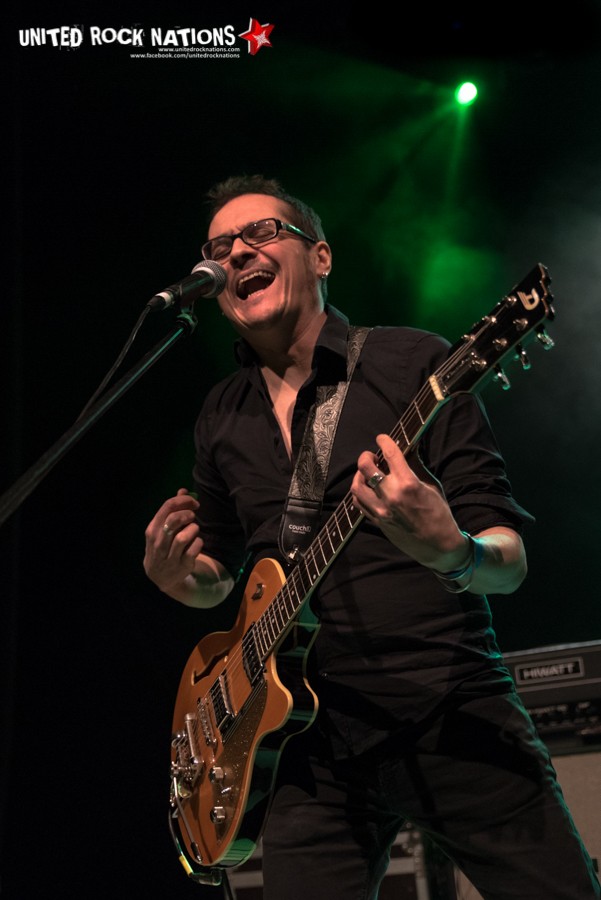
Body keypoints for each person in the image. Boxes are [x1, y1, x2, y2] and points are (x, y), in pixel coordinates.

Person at [144, 175, 600, 899]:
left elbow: (507, 562)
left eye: (261, 233)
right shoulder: (221, 414)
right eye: (218, 248)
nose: (236, 254)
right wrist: (186, 582)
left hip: (447, 708)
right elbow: (225, 576)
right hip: (306, 745)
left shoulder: (414, 363)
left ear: (320, 256)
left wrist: (453, 553)